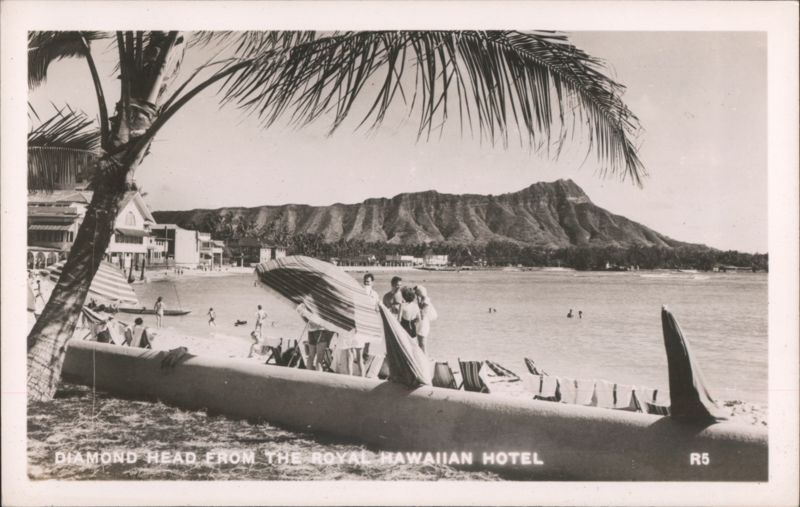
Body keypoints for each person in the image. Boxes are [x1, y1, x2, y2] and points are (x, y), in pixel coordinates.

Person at [414, 285, 437, 353]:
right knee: (421, 343)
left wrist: (418, 299)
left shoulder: (426, 300)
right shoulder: (423, 299)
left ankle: (424, 357)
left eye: (417, 293)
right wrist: (418, 299)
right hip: (422, 322)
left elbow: (421, 310)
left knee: (422, 343)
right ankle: (422, 356)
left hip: (423, 323)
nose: (416, 295)